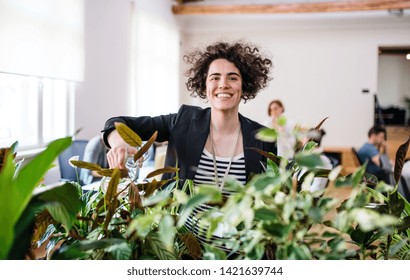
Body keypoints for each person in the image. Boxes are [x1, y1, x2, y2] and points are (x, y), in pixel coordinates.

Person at [101, 41, 276, 254]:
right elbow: (116, 123)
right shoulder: (183, 121)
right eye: (215, 77)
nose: (223, 84)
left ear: (245, 85)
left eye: (233, 77)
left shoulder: (262, 138)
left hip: (238, 255)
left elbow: (267, 203)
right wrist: (120, 144)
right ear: (204, 85)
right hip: (181, 252)